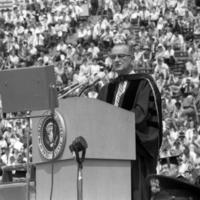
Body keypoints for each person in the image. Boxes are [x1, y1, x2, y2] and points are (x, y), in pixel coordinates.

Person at [97, 44, 162, 200]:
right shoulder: (106, 88)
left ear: (132, 59)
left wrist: (113, 124)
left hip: (134, 151)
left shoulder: (144, 83)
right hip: (108, 153)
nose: (116, 60)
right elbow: (96, 118)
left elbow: (141, 114)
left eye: (121, 56)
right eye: (113, 57)